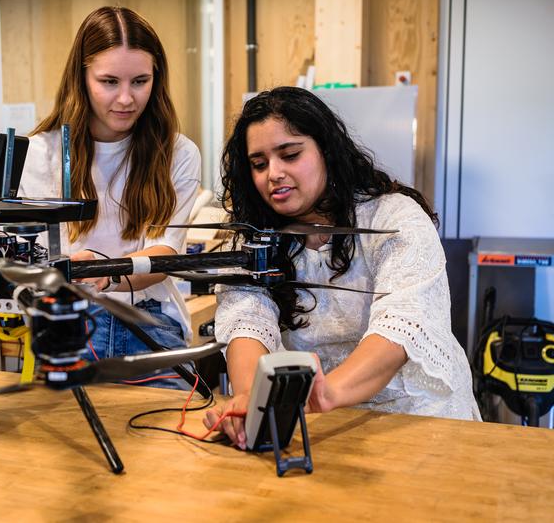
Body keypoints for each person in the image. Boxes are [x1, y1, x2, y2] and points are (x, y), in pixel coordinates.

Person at [204, 87, 480, 447]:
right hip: (325, 426)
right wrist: (248, 398)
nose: (274, 173)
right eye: (259, 164)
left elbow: (401, 327)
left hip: (422, 420)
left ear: (327, 151)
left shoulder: (394, 218)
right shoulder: (254, 239)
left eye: (290, 155)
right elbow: (247, 322)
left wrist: (328, 391)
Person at [18, 6, 201, 387]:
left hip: (150, 321)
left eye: (140, 81)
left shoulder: (178, 153)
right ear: (81, 78)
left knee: (176, 419)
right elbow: (27, 262)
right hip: (71, 325)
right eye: (109, 81)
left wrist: (105, 273)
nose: (126, 98)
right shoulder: (38, 155)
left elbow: (165, 255)